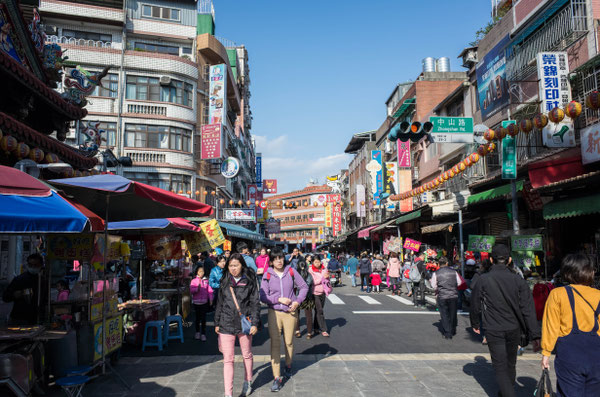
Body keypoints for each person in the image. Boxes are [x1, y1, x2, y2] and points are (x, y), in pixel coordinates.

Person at [470, 244, 541, 397]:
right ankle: (505, 392)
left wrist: (475, 322)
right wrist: (535, 335)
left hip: (494, 328)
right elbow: (528, 309)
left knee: (500, 366)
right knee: (510, 363)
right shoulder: (518, 280)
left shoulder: (483, 279)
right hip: (514, 328)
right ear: (509, 260)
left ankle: (507, 393)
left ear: (491, 259)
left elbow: (475, 302)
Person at [541, 254, 600, 396]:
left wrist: (546, 353)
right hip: (596, 355)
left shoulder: (557, 294)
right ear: (589, 272)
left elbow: (551, 326)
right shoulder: (598, 295)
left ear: (567, 272)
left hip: (569, 356)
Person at [260, 250, 308, 392]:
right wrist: (278, 299)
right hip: (274, 312)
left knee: (288, 342)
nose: (279, 261)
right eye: (276, 259)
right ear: (272, 261)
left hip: (290, 313)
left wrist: (297, 301)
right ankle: (276, 377)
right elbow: (262, 295)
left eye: (281, 258)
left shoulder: (291, 271)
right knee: (275, 343)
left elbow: (304, 287)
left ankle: (288, 365)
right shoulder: (267, 274)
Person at [214, 253, 260, 397]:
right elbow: (219, 303)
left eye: (236, 265)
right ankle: (228, 393)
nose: (233, 268)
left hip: (244, 323)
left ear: (242, 265)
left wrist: (255, 322)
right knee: (228, 359)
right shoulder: (225, 281)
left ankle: (248, 381)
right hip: (226, 322)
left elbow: (255, 303)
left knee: (246, 354)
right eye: (231, 265)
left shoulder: (249, 281)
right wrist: (216, 322)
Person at [2, 253, 46, 325]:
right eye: (30, 265)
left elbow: (44, 299)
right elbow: (5, 297)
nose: (33, 267)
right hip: (20, 318)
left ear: (41, 265)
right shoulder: (20, 279)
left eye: (35, 265)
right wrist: (15, 294)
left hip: (37, 318)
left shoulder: (43, 280)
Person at [430, 257, 461, 340]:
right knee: (453, 313)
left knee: (444, 314)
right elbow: (459, 282)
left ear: (439, 264)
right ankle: (453, 329)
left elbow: (433, 286)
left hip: (442, 296)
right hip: (453, 295)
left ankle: (448, 332)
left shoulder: (436, 273)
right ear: (447, 263)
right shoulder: (454, 272)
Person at [190, 265, 213, 341]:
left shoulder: (206, 280)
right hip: (196, 302)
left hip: (204, 302)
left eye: (202, 271)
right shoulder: (193, 281)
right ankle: (197, 332)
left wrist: (211, 299)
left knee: (203, 319)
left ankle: (203, 333)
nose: (201, 273)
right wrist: (197, 289)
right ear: (197, 272)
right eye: (199, 271)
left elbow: (210, 291)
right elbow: (191, 291)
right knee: (197, 318)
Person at [309, 256, 330, 337]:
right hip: (315, 293)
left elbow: (326, 280)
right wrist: (323, 278)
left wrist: (327, 277)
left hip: (323, 292)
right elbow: (313, 282)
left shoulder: (324, 269)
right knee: (320, 311)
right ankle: (324, 329)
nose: (317, 264)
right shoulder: (310, 270)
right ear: (312, 262)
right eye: (315, 262)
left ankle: (316, 327)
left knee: (318, 311)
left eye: (318, 262)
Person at [295, 258, 315, 339]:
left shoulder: (295, 275)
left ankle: (297, 331)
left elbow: (293, 285)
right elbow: (309, 284)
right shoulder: (309, 275)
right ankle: (309, 333)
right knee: (309, 315)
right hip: (308, 297)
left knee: (296, 314)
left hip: (297, 297)